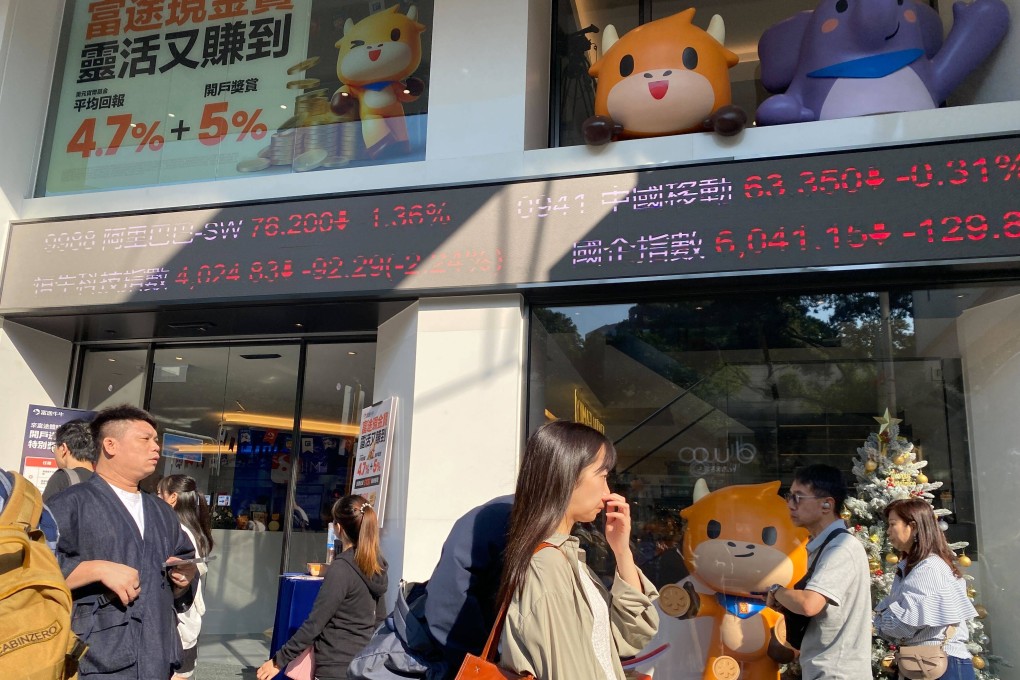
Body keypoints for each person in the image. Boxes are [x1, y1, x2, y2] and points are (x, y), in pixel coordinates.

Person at [497, 420, 659, 679]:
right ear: (568, 475)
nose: (608, 492)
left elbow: (631, 635)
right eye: (603, 476)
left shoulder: (564, 557)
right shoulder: (548, 567)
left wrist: (622, 552)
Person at [48, 404, 198, 680]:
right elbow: (30, 570)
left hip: (157, 654)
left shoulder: (162, 511)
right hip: (97, 658)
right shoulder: (70, 503)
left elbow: (184, 557)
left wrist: (185, 577)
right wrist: (94, 569)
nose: (156, 447)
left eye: (156, 440)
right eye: (145, 439)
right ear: (110, 445)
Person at [257, 495, 389, 680]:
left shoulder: (341, 568)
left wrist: (278, 661)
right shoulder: (376, 566)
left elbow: (315, 623)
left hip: (334, 666)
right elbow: (380, 620)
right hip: (364, 665)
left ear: (338, 528)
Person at [764, 464, 872, 679]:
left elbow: (809, 604)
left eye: (798, 497)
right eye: (789, 496)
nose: (790, 505)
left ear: (826, 504)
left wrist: (776, 590)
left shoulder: (841, 547)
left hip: (837, 672)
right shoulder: (825, 545)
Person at [875, 498, 979, 680]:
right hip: (928, 664)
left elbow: (901, 626)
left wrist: (878, 616)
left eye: (892, 524)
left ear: (913, 526)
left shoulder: (928, 568)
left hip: (940, 666)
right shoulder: (914, 567)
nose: (888, 531)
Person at [424, 494, 513, 674]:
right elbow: (446, 601)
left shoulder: (501, 514)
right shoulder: (500, 516)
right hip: (470, 660)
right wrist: (482, 663)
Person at [157, 474, 215, 680]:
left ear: (173, 498)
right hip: (188, 617)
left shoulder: (178, 531)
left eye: (159, 494)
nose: (156, 499)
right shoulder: (193, 529)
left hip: (179, 619)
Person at [43, 418, 97, 502]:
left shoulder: (62, 478)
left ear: (63, 448)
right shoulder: (103, 483)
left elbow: (46, 510)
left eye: (54, 447)